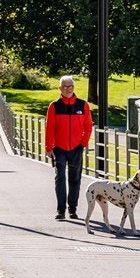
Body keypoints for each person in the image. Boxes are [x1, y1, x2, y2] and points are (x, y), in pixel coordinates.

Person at [44, 75, 93, 221]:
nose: (68, 89)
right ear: (60, 88)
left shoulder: (83, 105)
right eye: (65, 86)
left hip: (77, 148)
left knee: (75, 178)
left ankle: (73, 209)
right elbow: (50, 128)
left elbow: (88, 126)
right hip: (59, 148)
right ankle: (61, 210)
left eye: (70, 86)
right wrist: (48, 147)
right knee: (60, 177)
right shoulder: (54, 106)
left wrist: (83, 143)